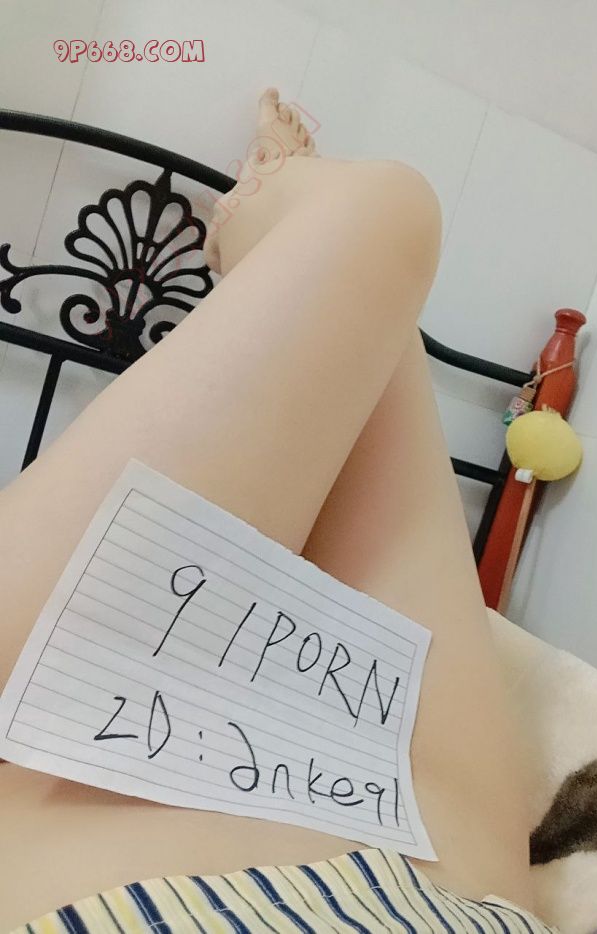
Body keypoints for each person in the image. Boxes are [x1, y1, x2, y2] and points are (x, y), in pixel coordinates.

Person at [0, 89, 554, 932]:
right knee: (381, 317)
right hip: (462, 897)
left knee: (388, 215)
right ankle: (297, 256)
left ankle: (275, 214)